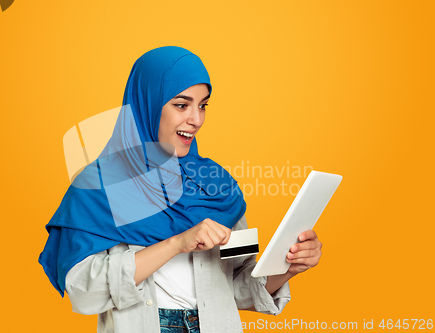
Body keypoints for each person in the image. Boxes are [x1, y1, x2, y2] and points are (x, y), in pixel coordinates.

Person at [39, 46, 322, 333]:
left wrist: (287, 267)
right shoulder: (98, 184)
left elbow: (238, 284)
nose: (196, 120)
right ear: (146, 103)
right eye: (181, 104)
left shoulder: (219, 186)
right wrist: (176, 243)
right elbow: (83, 290)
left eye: (203, 105)